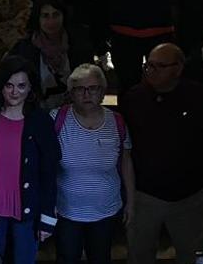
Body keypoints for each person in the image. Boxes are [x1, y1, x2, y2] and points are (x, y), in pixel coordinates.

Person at [120, 44, 203, 264]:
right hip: (145, 196)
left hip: (191, 196)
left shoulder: (199, 96)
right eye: (149, 66)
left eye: (159, 66)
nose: (152, 71)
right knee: (138, 256)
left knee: (195, 258)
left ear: (178, 68)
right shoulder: (134, 98)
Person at [0, 56, 62, 264]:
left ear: (30, 88)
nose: (15, 92)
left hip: (28, 213)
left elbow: (49, 170)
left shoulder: (41, 122)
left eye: (21, 86)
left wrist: (47, 216)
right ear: (1, 86)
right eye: (9, 86)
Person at [51, 64, 135, 264]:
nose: (86, 94)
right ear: (71, 93)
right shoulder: (57, 119)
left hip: (105, 210)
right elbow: (46, 164)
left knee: (100, 257)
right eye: (80, 89)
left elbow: (126, 162)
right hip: (66, 210)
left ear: (103, 91)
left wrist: (131, 202)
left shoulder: (117, 121)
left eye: (93, 88)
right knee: (67, 257)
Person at [8, 0, 76, 110]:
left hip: (72, 115)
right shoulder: (24, 49)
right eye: (45, 15)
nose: (51, 22)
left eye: (56, 15)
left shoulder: (77, 44)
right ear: (37, 18)